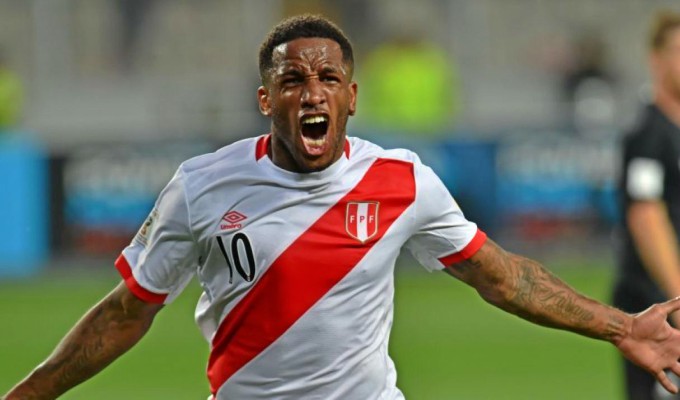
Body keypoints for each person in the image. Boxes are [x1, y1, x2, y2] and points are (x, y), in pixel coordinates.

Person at [5, 14, 680, 400]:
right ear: (266, 99)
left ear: (351, 98)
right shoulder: (203, 186)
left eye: (329, 78)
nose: (312, 93)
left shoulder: (402, 182)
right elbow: (126, 312)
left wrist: (623, 328)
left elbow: (505, 277)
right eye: (292, 80)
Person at [613, 10, 680, 400]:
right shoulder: (648, 135)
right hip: (655, 306)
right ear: (656, 59)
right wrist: (677, 299)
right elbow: (646, 213)